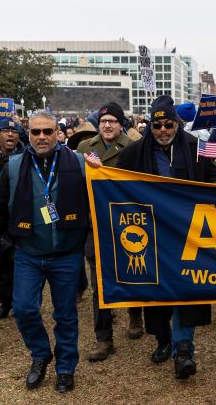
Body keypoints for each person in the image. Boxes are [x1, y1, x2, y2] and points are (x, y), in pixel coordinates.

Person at [0, 110, 93, 393]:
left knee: (65, 315)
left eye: (47, 131)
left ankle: (65, 368)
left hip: (67, 254)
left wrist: (99, 171)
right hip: (29, 252)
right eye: (35, 132)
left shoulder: (79, 163)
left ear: (58, 133)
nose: (41, 137)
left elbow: (98, 203)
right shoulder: (15, 166)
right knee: (25, 309)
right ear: (28, 134)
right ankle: (41, 355)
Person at [116, 96, 216, 379]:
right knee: (157, 292)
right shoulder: (134, 153)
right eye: (157, 125)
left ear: (177, 123)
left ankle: (184, 348)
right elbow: (115, 185)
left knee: (186, 289)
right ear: (150, 125)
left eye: (168, 124)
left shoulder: (197, 147)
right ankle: (163, 339)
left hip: (190, 234)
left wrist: (210, 191)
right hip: (151, 237)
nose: (163, 130)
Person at [75, 102, 141, 362]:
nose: (107, 125)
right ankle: (104, 338)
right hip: (95, 225)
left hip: (127, 224)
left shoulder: (134, 147)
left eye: (113, 120)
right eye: (103, 121)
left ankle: (136, 315)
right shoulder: (84, 148)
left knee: (133, 273)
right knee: (98, 285)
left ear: (121, 123)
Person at [0, 119, 27, 321]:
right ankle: (5, 301)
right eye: (6, 131)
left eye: (14, 131)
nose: (10, 135)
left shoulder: (26, 156)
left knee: (17, 263)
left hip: (19, 215)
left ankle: (20, 302)